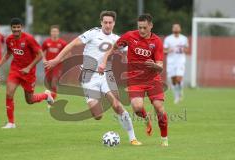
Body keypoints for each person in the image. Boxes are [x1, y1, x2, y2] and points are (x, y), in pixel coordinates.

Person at [44, 11, 142, 145]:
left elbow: (134, 52)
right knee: (98, 115)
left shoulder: (117, 39)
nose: (107, 25)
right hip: (88, 76)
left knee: (117, 106)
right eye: (105, 22)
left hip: (107, 75)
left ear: (114, 23)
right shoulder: (92, 33)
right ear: (101, 22)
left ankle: (133, 138)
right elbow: (72, 44)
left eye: (110, 23)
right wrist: (56, 59)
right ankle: (96, 100)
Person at [98, 13, 168, 146]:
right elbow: (113, 48)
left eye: (144, 28)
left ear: (151, 26)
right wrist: (104, 60)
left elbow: (160, 66)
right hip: (135, 79)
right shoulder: (130, 36)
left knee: (159, 108)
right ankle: (146, 118)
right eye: (140, 27)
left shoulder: (157, 41)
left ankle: (164, 139)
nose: (141, 30)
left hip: (153, 79)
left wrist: (154, 65)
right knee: (137, 107)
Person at [0, 18, 54, 129]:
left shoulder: (29, 39)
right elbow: (8, 53)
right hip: (15, 70)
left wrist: (28, 67)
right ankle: (11, 123)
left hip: (29, 73)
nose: (16, 29)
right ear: (11, 28)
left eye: (18, 27)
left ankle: (46, 95)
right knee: (9, 94)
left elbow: (40, 54)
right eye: (14, 27)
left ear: (21, 27)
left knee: (30, 100)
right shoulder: (9, 39)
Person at [163, 23, 189, 104]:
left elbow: (187, 49)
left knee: (179, 78)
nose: (176, 28)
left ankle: (180, 92)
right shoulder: (168, 39)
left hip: (180, 61)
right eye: (174, 27)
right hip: (171, 62)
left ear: (180, 29)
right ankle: (176, 96)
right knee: (173, 80)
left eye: (177, 27)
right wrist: (168, 50)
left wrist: (183, 50)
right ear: (172, 29)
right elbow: (164, 51)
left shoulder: (184, 38)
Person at [42, 25, 67, 97]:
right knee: (48, 84)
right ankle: (49, 98)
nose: (54, 33)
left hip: (58, 66)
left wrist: (59, 60)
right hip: (48, 65)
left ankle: (52, 101)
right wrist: (44, 60)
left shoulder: (62, 43)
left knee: (54, 83)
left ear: (58, 33)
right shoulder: (46, 42)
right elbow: (41, 52)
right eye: (53, 31)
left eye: (56, 31)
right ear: (50, 32)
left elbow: (68, 54)